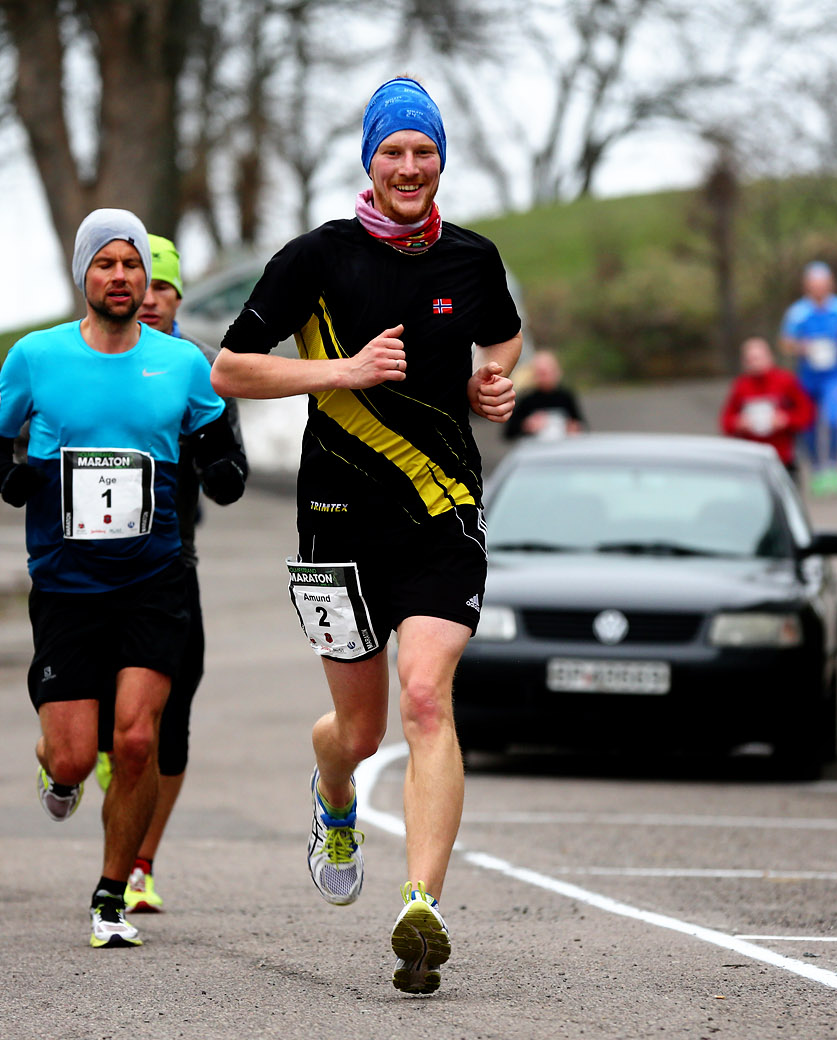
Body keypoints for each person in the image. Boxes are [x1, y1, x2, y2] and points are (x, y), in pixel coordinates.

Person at [211, 77, 522, 995]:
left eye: (424, 151)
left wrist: (491, 381)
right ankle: (334, 793)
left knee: (426, 698)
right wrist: (342, 370)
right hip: (338, 521)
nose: (409, 166)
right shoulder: (317, 257)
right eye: (394, 151)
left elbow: (503, 339)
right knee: (359, 728)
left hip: (442, 510)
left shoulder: (474, 259)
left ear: (441, 162)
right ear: (370, 161)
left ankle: (422, 905)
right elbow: (230, 369)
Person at [0, 209, 244, 950]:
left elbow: (214, 434)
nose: (122, 276)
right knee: (74, 755)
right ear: (84, 275)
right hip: (66, 583)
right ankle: (56, 769)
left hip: (154, 579)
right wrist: (5, 474)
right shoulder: (37, 357)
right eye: (106, 263)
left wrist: (223, 465)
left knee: (136, 740)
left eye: (132, 265)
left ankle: (112, 892)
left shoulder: (182, 363)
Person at [109, 233, 249, 913]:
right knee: (96, 725)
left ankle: (141, 863)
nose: (152, 298)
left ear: (177, 297)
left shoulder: (198, 368)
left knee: (171, 719)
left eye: (164, 287)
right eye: (145, 284)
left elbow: (230, 470)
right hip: (84, 567)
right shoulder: (88, 358)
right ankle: (76, 760)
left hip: (170, 561)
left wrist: (217, 465)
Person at [779, 261, 837, 495]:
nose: (819, 289)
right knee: (808, 425)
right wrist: (801, 347)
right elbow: (785, 343)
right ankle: (816, 468)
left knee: (834, 420)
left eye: (823, 284)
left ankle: (832, 468)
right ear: (807, 286)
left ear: (830, 284)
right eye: (815, 285)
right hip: (807, 378)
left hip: (834, 376)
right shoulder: (797, 312)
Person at [720, 337, 815, 481]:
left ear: (769, 357)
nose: (754, 364)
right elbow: (726, 421)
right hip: (751, 457)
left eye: (757, 358)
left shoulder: (786, 381)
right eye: (749, 360)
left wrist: (786, 420)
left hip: (782, 457)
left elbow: (807, 413)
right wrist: (739, 423)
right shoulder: (741, 386)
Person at [503, 349, 585, 442]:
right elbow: (509, 432)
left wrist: (573, 427)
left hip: (562, 446)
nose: (543, 378)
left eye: (545, 373)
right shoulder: (527, 399)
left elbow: (580, 424)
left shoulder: (566, 397)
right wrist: (526, 425)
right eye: (539, 374)